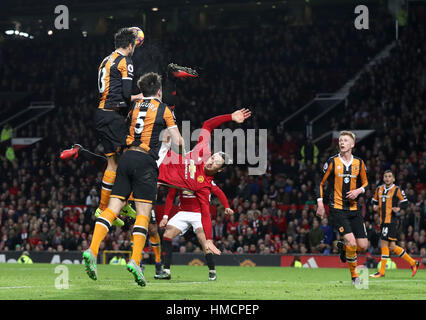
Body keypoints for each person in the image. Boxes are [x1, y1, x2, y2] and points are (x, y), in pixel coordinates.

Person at [83, 72, 184, 287]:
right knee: (143, 215)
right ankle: (135, 261)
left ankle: (91, 250)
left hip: (126, 158)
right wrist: (184, 152)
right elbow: (178, 141)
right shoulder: (164, 109)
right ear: (158, 91)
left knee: (112, 208)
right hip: (145, 162)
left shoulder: (134, 108)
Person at [316, 130, 369, 286]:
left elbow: (365, 183)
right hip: (337, 208)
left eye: (345, 140)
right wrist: (320, 203)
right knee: (352, 242)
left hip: (354, 209)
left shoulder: (359, 163)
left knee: (363, 246)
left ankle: (343, 249)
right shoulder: (332, 162)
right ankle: (354, 277)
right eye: (340, 140)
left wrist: (359, 190)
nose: (342, 142)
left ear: (352, 144)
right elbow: (320, 183)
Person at [157, 183, 232, 281]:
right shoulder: (180, 177)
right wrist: (165, 216)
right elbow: (171, 195)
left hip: (200, 214)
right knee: (167, 235)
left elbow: (218, 191)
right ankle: (166, 271)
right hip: (183, 213)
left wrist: (226, 206)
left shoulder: (204, 177)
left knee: (203, 240)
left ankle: (212, 271)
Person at [369, 170, 419, 278]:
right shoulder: (379, 189)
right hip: (383, 221)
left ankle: (381, 271)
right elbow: (373, 201)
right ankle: (413, 262)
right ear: (383, 178)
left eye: (389, 176)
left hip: (391, 220)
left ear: (393, 179)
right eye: (385, 176)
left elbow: (405, 202)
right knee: (391, 246)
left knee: (383, 243)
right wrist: (374, 206)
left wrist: (399, 208)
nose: (387, 178)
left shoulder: (397, 189)